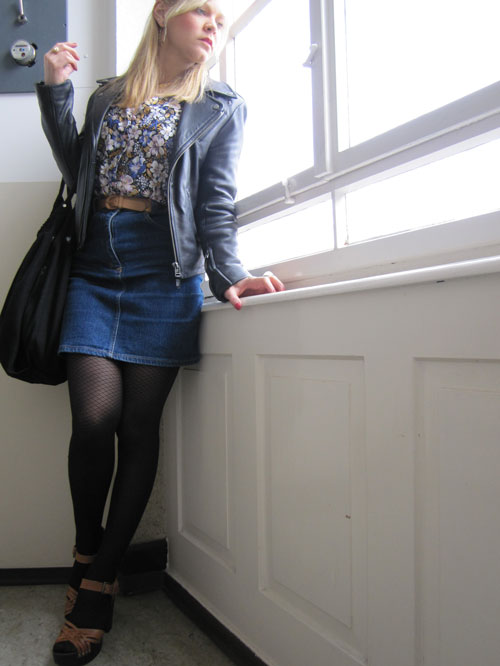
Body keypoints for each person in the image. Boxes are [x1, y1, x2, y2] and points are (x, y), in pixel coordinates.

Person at [36, 1, 284, 663]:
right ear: (163, 15)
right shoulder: (108, 96)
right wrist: (56, 94)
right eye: (201, 11)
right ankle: (87, 551)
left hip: (165, 277)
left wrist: (231, 276)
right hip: (94, 269)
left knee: (138, 429)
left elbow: (216, 202)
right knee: (94, 420)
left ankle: (98, 582)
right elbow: (76, 169)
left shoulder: (221, 106)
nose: (212, 25)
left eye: (220, 20)